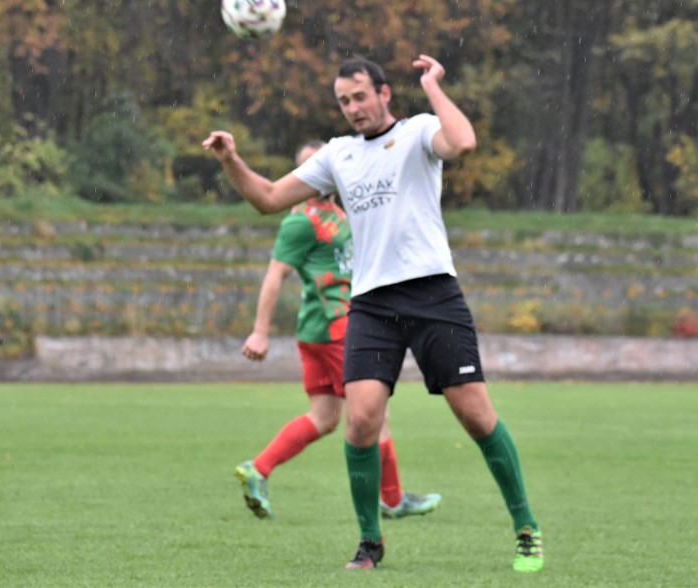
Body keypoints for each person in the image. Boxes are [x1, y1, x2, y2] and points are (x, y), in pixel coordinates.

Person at [204, 54, 544, 573]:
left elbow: (464, 142)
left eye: (360, 96)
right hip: (372, 303)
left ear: (384, 93)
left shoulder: (418, 132)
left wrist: (432, 86)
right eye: (343, 101)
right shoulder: (338, 155)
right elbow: (269, 199)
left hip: (432, 293)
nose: (353, 108)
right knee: (360, 420)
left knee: (475, 415)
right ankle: (370, 543)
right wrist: (230, 159)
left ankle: (526, 528)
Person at [234, 139, 442, 523]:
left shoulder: (338, 212)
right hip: (335, 327)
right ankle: (393, 499)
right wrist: (260, 331)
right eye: (309, 165)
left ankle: (257, 469)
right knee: (375, 410)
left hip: (325, 327)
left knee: (325, 417)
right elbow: (275, 274)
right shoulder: (301, 221)